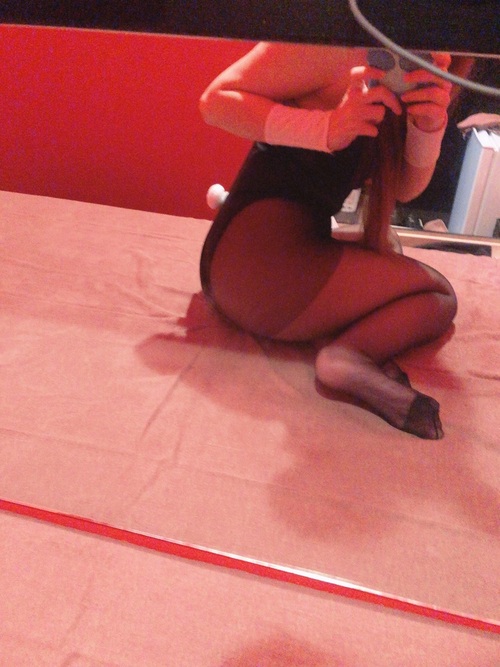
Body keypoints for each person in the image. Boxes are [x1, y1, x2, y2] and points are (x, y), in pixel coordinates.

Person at [198, 42, 458, 439]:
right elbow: (215, 102)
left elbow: (404, 189)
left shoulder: (420, 63)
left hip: (244, 259)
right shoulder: (336, 43)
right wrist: (328, 128)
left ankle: (339, 347)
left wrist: (428, 127)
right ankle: (348, 357)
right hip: (257, 268)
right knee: (438, 297)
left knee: (388, 250)